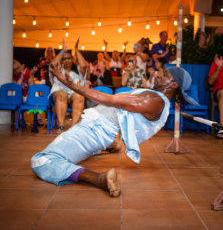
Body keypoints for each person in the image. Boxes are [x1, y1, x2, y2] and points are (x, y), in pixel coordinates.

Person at [31, 61, 199, 197]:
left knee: (42, 160)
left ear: (173, 84)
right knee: (71, 150)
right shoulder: (159, 100)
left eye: (163, 76)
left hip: (94, 130)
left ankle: (99, 178)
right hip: (98, 129)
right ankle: (110, 145)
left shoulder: (154, 100)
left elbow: (111, 100)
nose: (157, 76)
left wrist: (70, 85)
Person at [48, 38, 86, 134]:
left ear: (72, 60)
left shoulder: (77, 73)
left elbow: (83, 65)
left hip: (73, 97)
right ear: (61, 61)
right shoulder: (57, 71)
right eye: (64, 59)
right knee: (62, 94)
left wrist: (76, 50)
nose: (66, 60)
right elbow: (52, 64)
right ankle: (61, 126)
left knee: (80, 95)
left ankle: (73, 128)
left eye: (68, 58)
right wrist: (62, 51)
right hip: (57, 96)